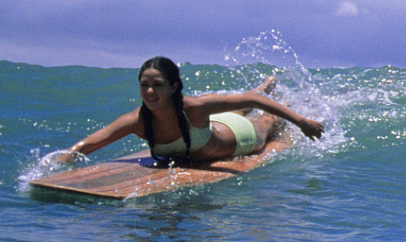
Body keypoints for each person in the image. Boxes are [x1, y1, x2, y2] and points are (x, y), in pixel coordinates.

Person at [53, 55, 326, 167]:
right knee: (241, 105)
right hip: (210, 125)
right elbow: (90, 143)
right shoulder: (137, 121)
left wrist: (302, 122)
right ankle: (264, 86)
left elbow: (251, 101)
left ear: (173, 87)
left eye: (157, 85)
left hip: (237, 136)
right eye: (144, 85)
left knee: (266, 119)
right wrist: (58, 164)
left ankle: (274, 94)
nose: (150, 92)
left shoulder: (194, 107)